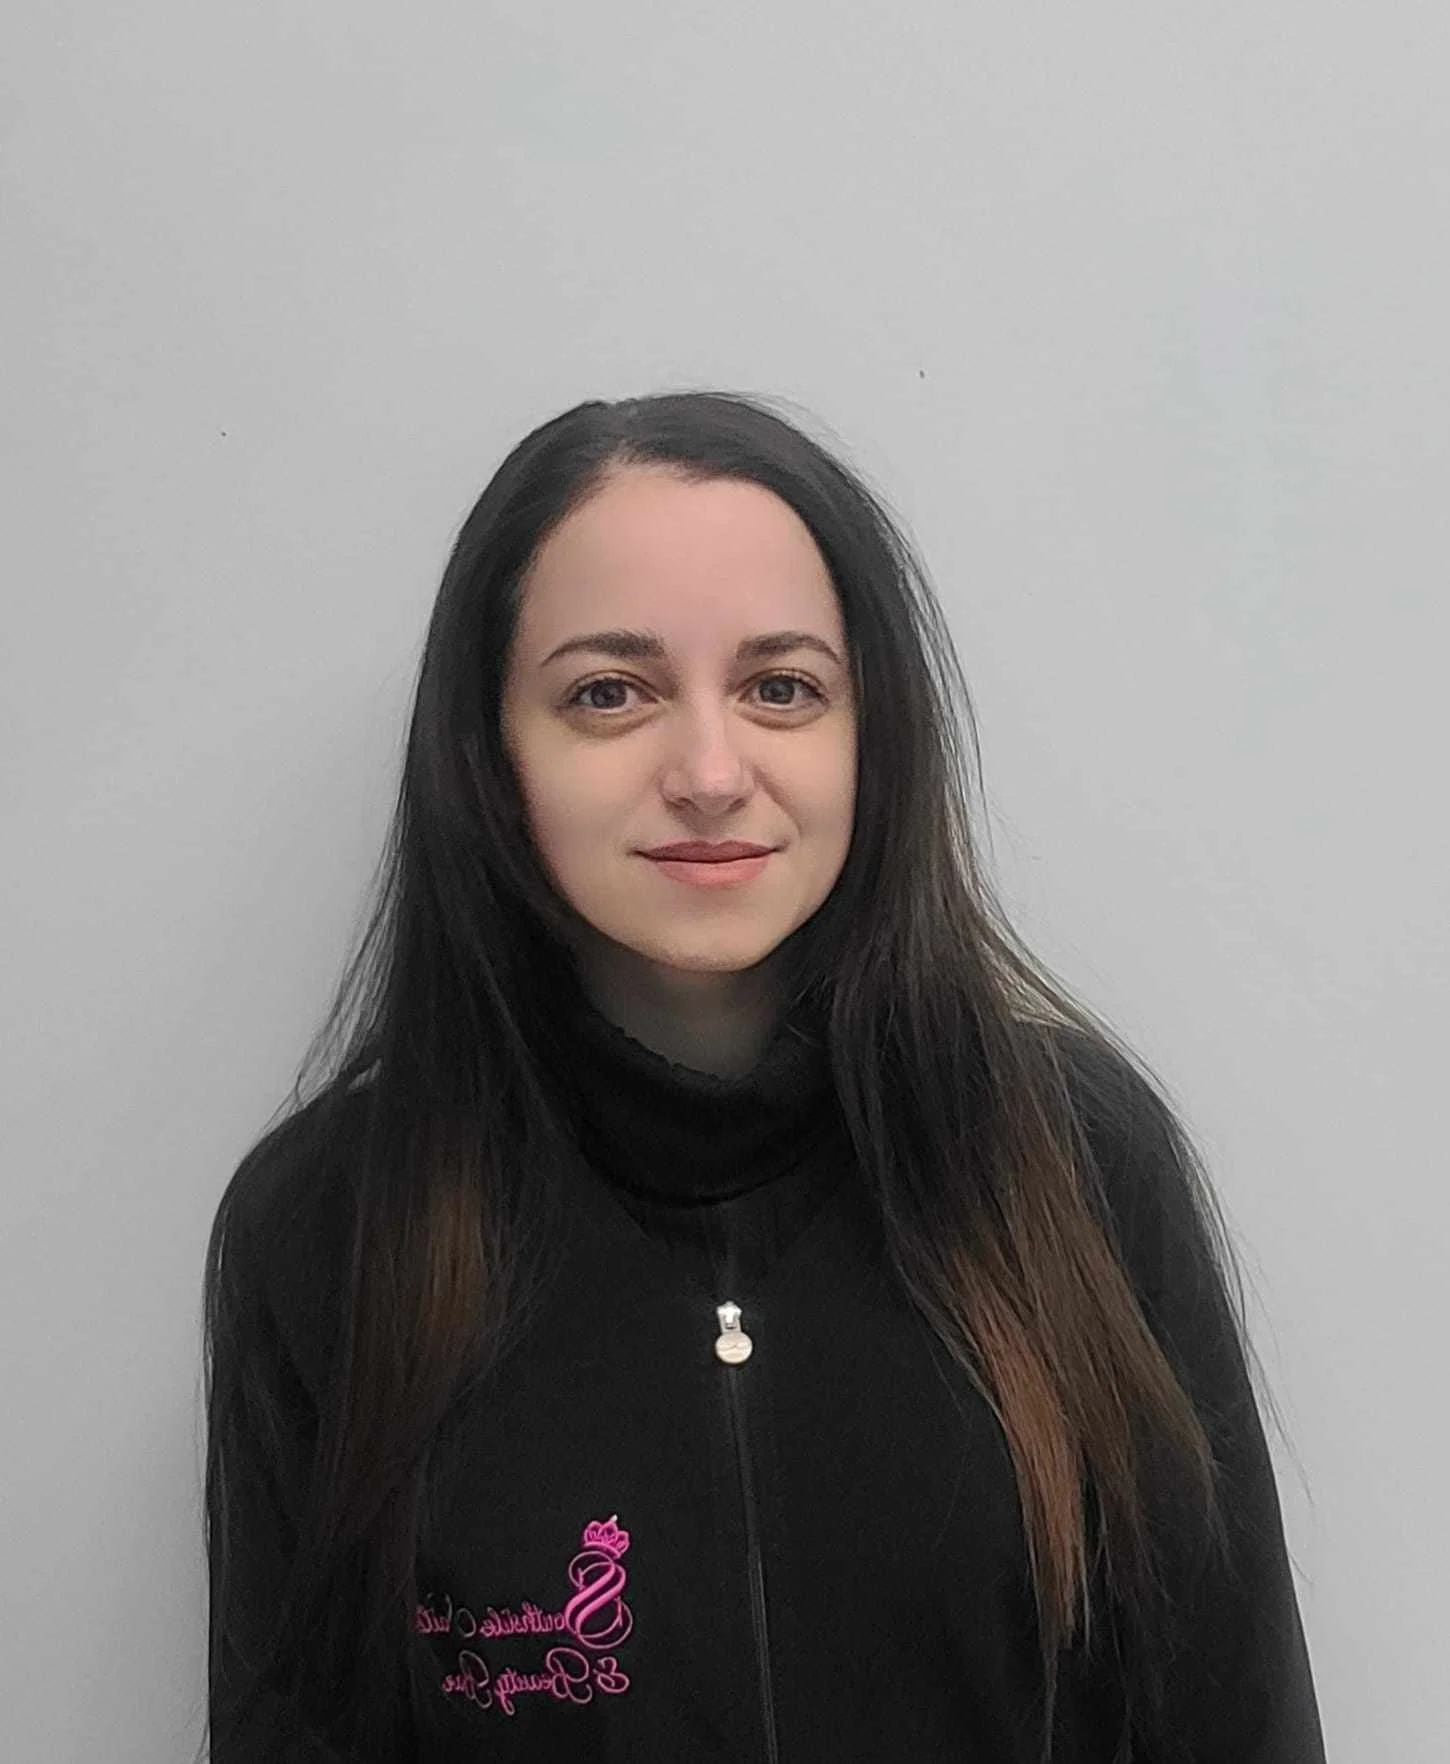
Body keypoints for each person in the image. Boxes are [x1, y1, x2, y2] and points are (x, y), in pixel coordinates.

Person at [202, 390, 1327, 1763]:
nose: (710, 772)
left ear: (872, 737)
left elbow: (1234, 1725)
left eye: (781, 688)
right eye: (607, 693)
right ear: (491, 756)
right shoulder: (326, 1225)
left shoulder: (1081, 1163)